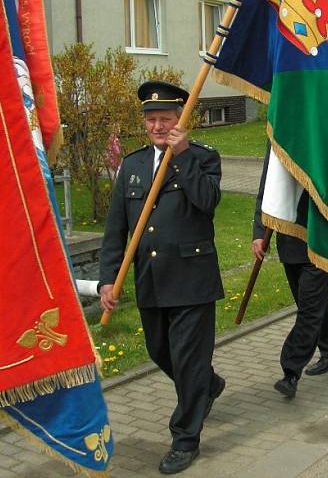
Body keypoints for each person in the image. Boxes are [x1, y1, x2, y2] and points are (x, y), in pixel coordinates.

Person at [99, 81, 225, 475]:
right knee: (159, 351)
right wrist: (108, 279)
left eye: (166, 119)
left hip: (191, 278)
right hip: (151, 279)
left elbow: (207, 202)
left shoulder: (202, 158)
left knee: (187, 362)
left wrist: (183, 155)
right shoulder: (133, 165)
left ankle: (185, 438)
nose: (157, 126)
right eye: (152, 120)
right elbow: (116, 228)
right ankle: (207, 384)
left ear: (180, 121)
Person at [253, 143, 328, 399]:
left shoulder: (323, 139)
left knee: (308, 309)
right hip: (289, 240)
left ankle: (290, 371)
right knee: (313, 306)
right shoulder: (280, 138)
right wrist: (259, 232)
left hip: (319, 240)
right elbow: (267, 189)